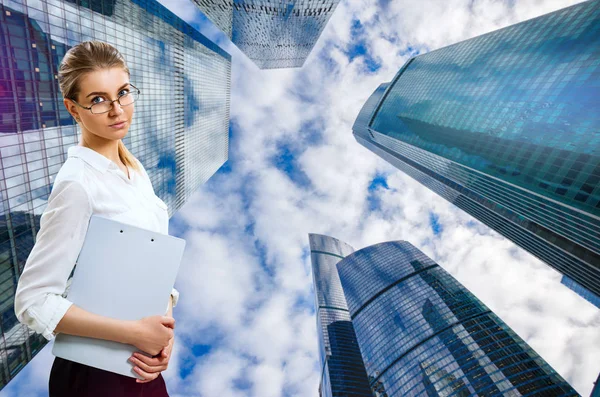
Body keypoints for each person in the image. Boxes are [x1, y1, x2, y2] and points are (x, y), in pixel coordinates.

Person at [13, 41, 178, 396]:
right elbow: (33, 301)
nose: (118, 110)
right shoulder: (78, 184)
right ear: (74, 109)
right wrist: (135, 333)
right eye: (99, 100)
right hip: (93, 374)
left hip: (139, 367)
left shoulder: (136, 173)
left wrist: (163, 337)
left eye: (123, 92)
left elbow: (152, 269)